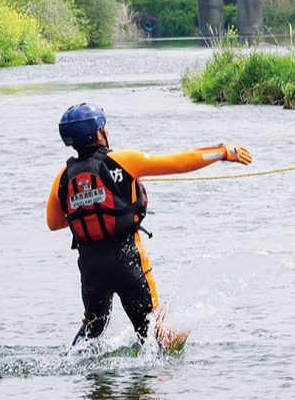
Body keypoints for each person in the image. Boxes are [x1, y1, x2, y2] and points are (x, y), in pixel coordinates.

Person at [47, 102, 252, 346]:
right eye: (104, 127)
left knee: (92, 331)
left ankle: (80, 373)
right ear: (99, 133)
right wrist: (223, 152)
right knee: (156, 337)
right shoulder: (124, 161)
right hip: (128, 263)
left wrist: (91, 207)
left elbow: (54, 222)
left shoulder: (63, 177)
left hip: (91, 272)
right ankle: (160, 381)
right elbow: (180, 162)